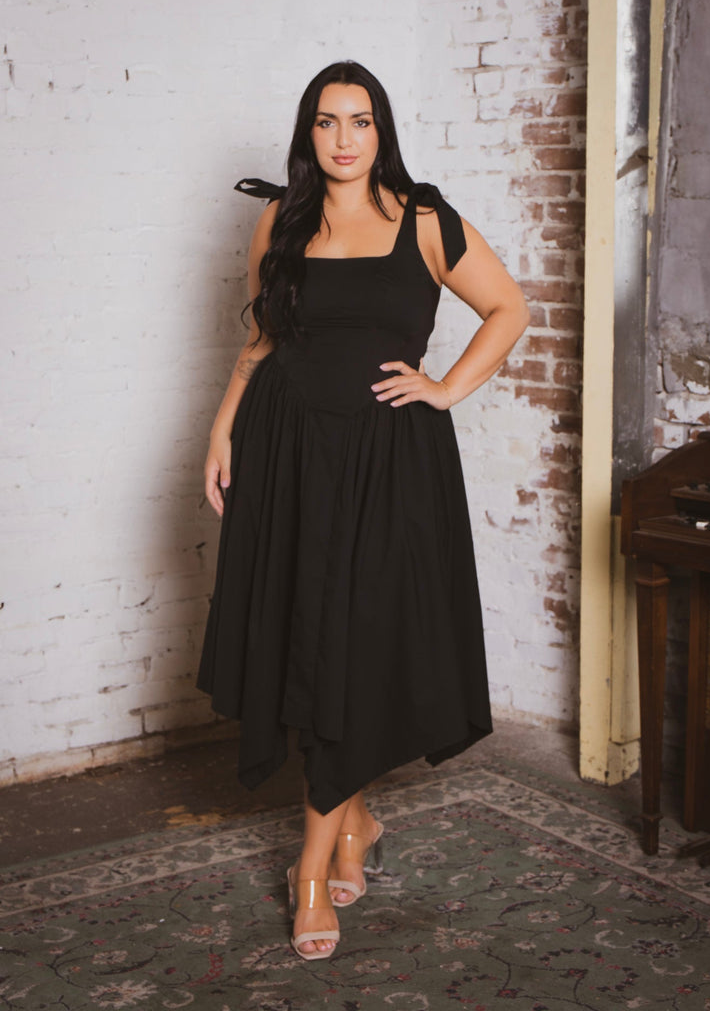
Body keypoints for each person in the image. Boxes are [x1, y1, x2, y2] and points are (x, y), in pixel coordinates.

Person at [197, 60, 529, 961]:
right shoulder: (282, 218)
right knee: (310, 640)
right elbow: (263, 335)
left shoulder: (424, 219)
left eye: (360, 120)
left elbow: (507, 307)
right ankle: (355, 825)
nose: (343, 139)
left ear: (382, 130)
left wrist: (446, 387)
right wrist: (224, 427)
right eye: (326, 121)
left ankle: (309, 871)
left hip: (388, 463)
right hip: (289, 450)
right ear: (307, 133)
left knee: (356, 640)